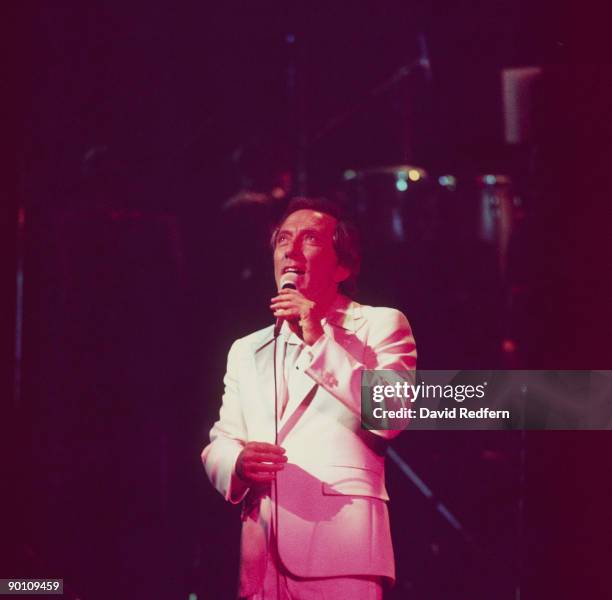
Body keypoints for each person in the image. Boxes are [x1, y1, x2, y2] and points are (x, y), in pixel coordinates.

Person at [202, 197, 417, 599]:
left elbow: (391, 413)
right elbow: (221, 441)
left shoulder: (379, 324)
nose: (291, 249)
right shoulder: (247, 349)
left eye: (310, 239)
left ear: (343, 266)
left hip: (340, 552)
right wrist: (237, 462)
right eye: (284, 238)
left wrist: (317, 336)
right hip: (260, 558)